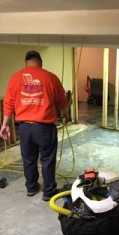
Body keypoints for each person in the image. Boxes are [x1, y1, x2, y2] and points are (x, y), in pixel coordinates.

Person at [0, 50, 69, 201]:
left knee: (28, 159)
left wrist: (5, 124)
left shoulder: (15, 78)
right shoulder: (50, 77)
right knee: (47, 159)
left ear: (26, 62)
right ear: (41, 62)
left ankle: (31, 188)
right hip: (44, 128)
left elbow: (8, 104)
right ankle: (48, 191)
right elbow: (62, 101)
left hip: (24, 128)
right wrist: (66, 115)